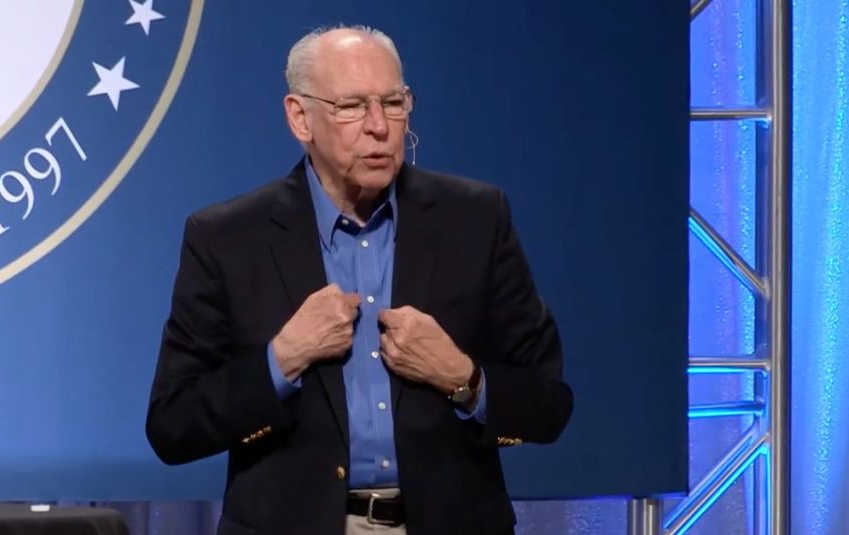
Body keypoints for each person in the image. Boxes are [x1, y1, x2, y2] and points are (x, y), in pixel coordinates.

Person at [146, 25, 573, 535]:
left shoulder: (476, 219)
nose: (379, 126)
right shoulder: (228, 238)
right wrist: (281, 360)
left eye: (393, 103)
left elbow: (549, 403)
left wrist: (463, 378)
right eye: (351, 106)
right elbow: (173, 425)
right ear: (299, 117)